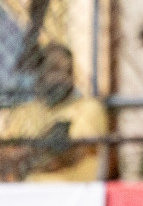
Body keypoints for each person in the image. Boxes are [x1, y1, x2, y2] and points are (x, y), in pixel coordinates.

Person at [0, 44, 106, 182]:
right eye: (50, 69)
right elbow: (4, 156)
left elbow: (69, 155)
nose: (56, 77)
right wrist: (44, 147)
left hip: (70, 195)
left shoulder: (89, 108)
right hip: (25, 195)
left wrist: (22, 156)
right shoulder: (23, 111)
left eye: (63, 70)